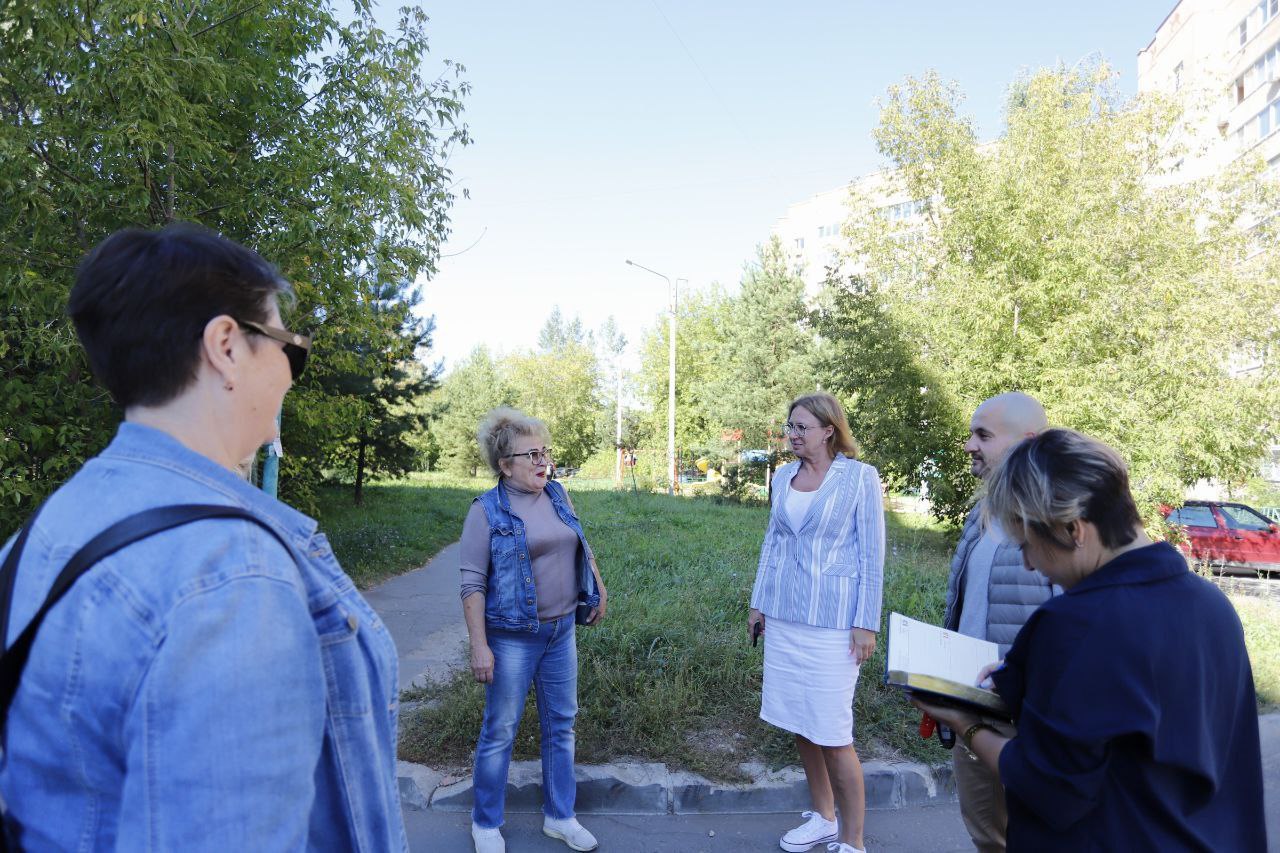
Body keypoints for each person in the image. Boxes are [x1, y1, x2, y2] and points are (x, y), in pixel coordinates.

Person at [0, 225, 405, 849]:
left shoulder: (43, 531)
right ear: (226, 347)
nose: (292, 376)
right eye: (290, 348)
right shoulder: (232, 578)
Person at [914, 429, 1268, 851]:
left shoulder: (1077, 623)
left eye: (1026, 543)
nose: (1028, 564)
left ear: (1072, 529)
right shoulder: (1211, 604)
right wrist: (1025, 686)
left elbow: (1050, 787)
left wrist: (965, 724)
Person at [460, 408, 607, 853]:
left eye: (546, 452)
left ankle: (561, 817)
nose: (544, 462)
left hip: (562, 632)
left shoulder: (558, 493)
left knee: (561, 725)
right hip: (510, 638)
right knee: (500, 729)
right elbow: (471, 582)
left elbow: (579, 540)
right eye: (533, 455)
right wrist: (479, 646)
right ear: (505, 465)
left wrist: (597, 582)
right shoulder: (486, 511)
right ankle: (485, 823)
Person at [748, 393, 885, 853]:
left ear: (829, 430)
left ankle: (853, 840)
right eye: (790, 426)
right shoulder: (783, 476)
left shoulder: (860, 479)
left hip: (834, 624)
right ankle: (824, 818)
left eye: (802, 427)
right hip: (786, 617)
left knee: (832, 730)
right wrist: (758, 603)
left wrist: (866, 622)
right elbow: (774, 543)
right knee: (800, 723)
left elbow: (871, 555)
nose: (793, 434)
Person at [943, 391, 1054, 853]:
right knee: (988, 837)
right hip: (975, 705)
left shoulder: (1055, 518)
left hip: (1028, 720)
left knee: (1035, 838)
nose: (970, 445)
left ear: (1027, 442)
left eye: (983, 435)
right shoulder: (983, 512)